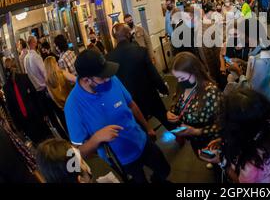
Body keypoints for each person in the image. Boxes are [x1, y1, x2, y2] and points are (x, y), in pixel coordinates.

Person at [64, 49, 170, 183]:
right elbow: (78, 152)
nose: (108, 79)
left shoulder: (111, 79)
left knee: (164, 170)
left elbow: (131, 105)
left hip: (141, 141)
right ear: (86, 80)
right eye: (102, 77)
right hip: (122, 161)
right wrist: (96, 138)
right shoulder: (73, 105)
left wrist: (148, 128)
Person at [198, 88, 270, 183]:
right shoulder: (267, 127)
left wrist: (221, 162)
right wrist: (222, 141)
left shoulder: (250, 166)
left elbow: (239, 181)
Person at [107, 23, 172, 133]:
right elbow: (153, 74)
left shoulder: (109, 58)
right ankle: (180, 136)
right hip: (149, 94)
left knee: (142, 128)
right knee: (164, 116)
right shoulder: (140, 51)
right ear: (128, 34)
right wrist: (163, 88)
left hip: (130, 102)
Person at [168, 52, 221, 154]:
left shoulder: (211, 92)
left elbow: (221, 124)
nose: (179, 82)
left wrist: (196, 131)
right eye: (177, 78)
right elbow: (176, 103)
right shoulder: (182, 85)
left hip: (210, 141)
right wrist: (170, 112)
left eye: (182, 78)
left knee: (214, 162)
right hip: (194, 140)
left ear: (195, 72)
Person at [3, 58, 51, 144]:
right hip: (25, 121)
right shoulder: (6, 87)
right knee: (39, 142)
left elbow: (35, 96)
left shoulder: (24, 78)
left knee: (47, 139)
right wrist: (18, 126)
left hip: (36, 115)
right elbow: (11, 109)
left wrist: (43, 113)